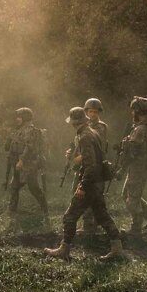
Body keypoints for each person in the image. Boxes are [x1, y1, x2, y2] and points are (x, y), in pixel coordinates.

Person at [45, 107, 124, 261]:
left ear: (74, 122)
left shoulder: (85, 137)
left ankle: (64, 249)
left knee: (69, 216)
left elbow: (90, 165)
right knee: (102, 216)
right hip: (96, 182)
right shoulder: (91, 132)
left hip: (89, 183)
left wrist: (82, 186)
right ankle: (117, 248)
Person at [64, 98, 108, 234]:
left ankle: (89, 225)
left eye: (95, 112)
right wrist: (71, 152)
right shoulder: (84, 127)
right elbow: (79, 145)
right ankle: (93, 224)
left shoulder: (100, 127)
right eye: (90, 111)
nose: (93, 114)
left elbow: (94, 151)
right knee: (85, 195)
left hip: (91, 166)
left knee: (85, 194)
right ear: (86, 112)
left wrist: (78, 158)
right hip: (83, 166)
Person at [120, 96, 147, 234]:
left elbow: (132, 152)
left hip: (138, 168)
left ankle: (136, 227)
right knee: (127, 193)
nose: (132, 113)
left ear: (137, 111)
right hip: (144, 166)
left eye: (133, 110)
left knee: (131, 198)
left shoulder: (140, 130)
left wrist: (122, 168)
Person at [5, 107, 49, 228]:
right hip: (20, 165)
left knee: (34, 188)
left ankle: (45, 210)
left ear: (25, 118)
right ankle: (11, 211)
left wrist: (21, 160)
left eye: (19, 117)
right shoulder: (20, 130)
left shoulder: (30, 130)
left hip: (28, 165)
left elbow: (29, 147)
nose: (17, 119)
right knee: (14, 187)